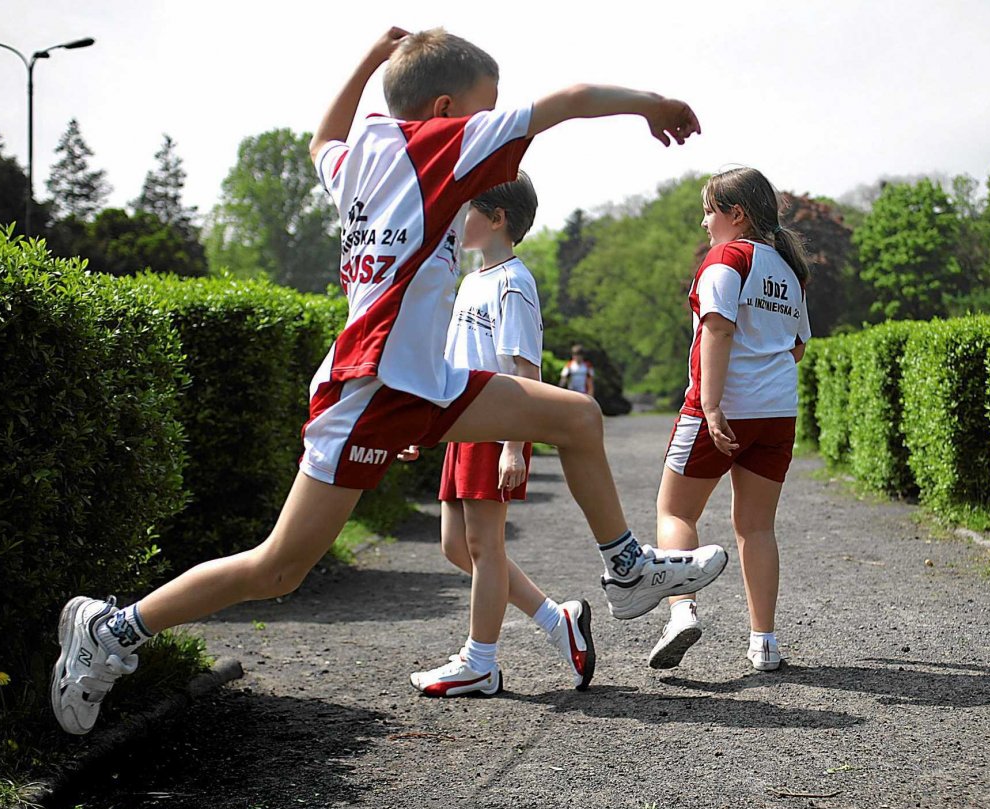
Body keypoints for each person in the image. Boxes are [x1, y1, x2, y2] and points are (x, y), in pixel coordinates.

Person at [49, 26, 728, 736]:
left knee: (577, 418)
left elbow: (319, 142)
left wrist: (370, 60)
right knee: (279, 569)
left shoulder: (361, 159)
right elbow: (569, 100)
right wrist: (652, 103)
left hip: (424, 383)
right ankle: (114, 629)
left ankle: (626, 570)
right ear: (442, 111)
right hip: (372, 389)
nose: (487, 129)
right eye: (478, 111)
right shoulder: (440, 145)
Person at [405, 171, 594, 697]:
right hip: (461, 424)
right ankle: (558, 620)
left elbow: (523, 372)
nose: (457, 217)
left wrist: (516, 444)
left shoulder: (515, 282)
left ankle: (480, 662)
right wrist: (424, 424)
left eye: (467, 207)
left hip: (496, 427)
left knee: (485, 548)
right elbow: (450, 362)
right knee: (455, 547)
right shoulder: (470, 280)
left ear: (497, 218)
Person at [647, 167, 810, 674]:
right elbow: (799, 346)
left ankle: (682, 615)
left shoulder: (725, 259)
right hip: (777, 412)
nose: (703, 222)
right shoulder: (787, 270)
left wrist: (712, 406)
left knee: (675, 513)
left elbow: (716, 331)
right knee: (757, 528)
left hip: (720, 410)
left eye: (709, 210)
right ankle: (765, 644)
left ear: (735, 214)